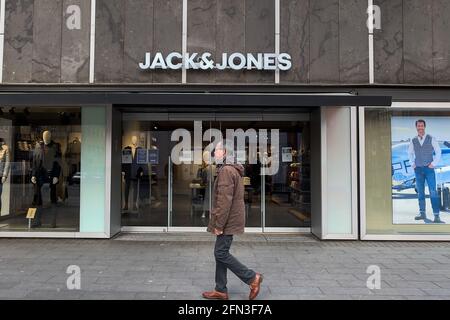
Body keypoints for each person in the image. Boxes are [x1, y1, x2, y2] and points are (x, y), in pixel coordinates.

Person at [202, 140, 263, 300]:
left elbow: (224, 201)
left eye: (217, 150)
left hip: (227, 220)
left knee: (220, 252)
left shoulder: (226, 171)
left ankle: (252, 278)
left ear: (225, 153)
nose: (214, 153)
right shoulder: (230, 169)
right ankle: (220, 289)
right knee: (221, 252)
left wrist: (219, 224)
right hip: (230, 218)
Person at [408, 119, 443, 223]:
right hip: (418, 169)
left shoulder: (431, 138)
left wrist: (434, 164)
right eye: (418, 126)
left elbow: (438, 151)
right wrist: (412, 164)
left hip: (429, 169)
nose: (420, 128)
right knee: (420, 192)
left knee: (433, 191)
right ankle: (422, 213)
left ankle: (436, 215)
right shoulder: (413, 140)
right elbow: (409, 153)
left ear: (424, 127)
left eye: (422, 126)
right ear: (416, 127)